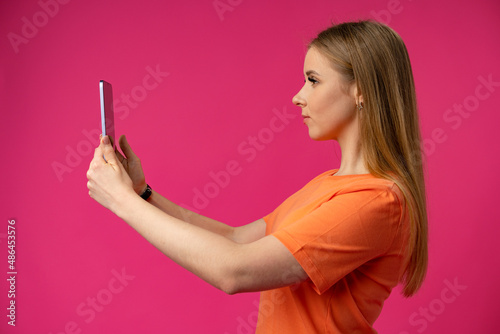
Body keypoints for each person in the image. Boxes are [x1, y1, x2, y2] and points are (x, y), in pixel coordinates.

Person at [87, 20, 428, 333]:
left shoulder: (377, 202)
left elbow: (234, 270)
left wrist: (122, 202)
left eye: (313, 80)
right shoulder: (330, 184)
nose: (298, 97)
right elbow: (237, 240)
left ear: (361, 90)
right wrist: (142, 193)